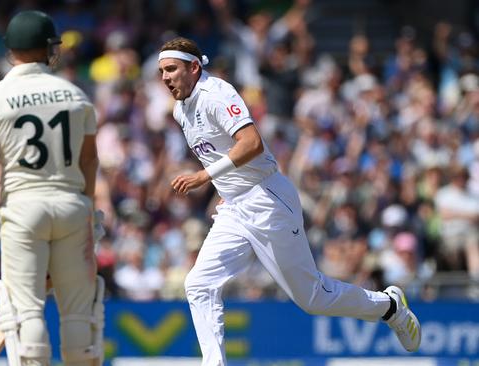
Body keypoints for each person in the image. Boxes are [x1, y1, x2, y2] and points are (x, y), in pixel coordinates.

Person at [158, 37, 421, 365]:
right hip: (234, 208)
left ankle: (389, 307)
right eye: (161, 71)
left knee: (313, 298)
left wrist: (204, 177)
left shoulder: (217, 94)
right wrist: (222, 189)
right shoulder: (180, 109)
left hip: (266, 198)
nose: (165, 77)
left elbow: (251, 143)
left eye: (171, 69)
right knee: (198, 284)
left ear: (194, 67)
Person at [0, 10, 103, 366]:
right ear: (48, 48)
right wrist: (90, 208)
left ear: (10, 50)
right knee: (76, 313)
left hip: (23, 209)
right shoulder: (76, 95)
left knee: (26, 311)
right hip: (72, 206)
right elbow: (89, 162)